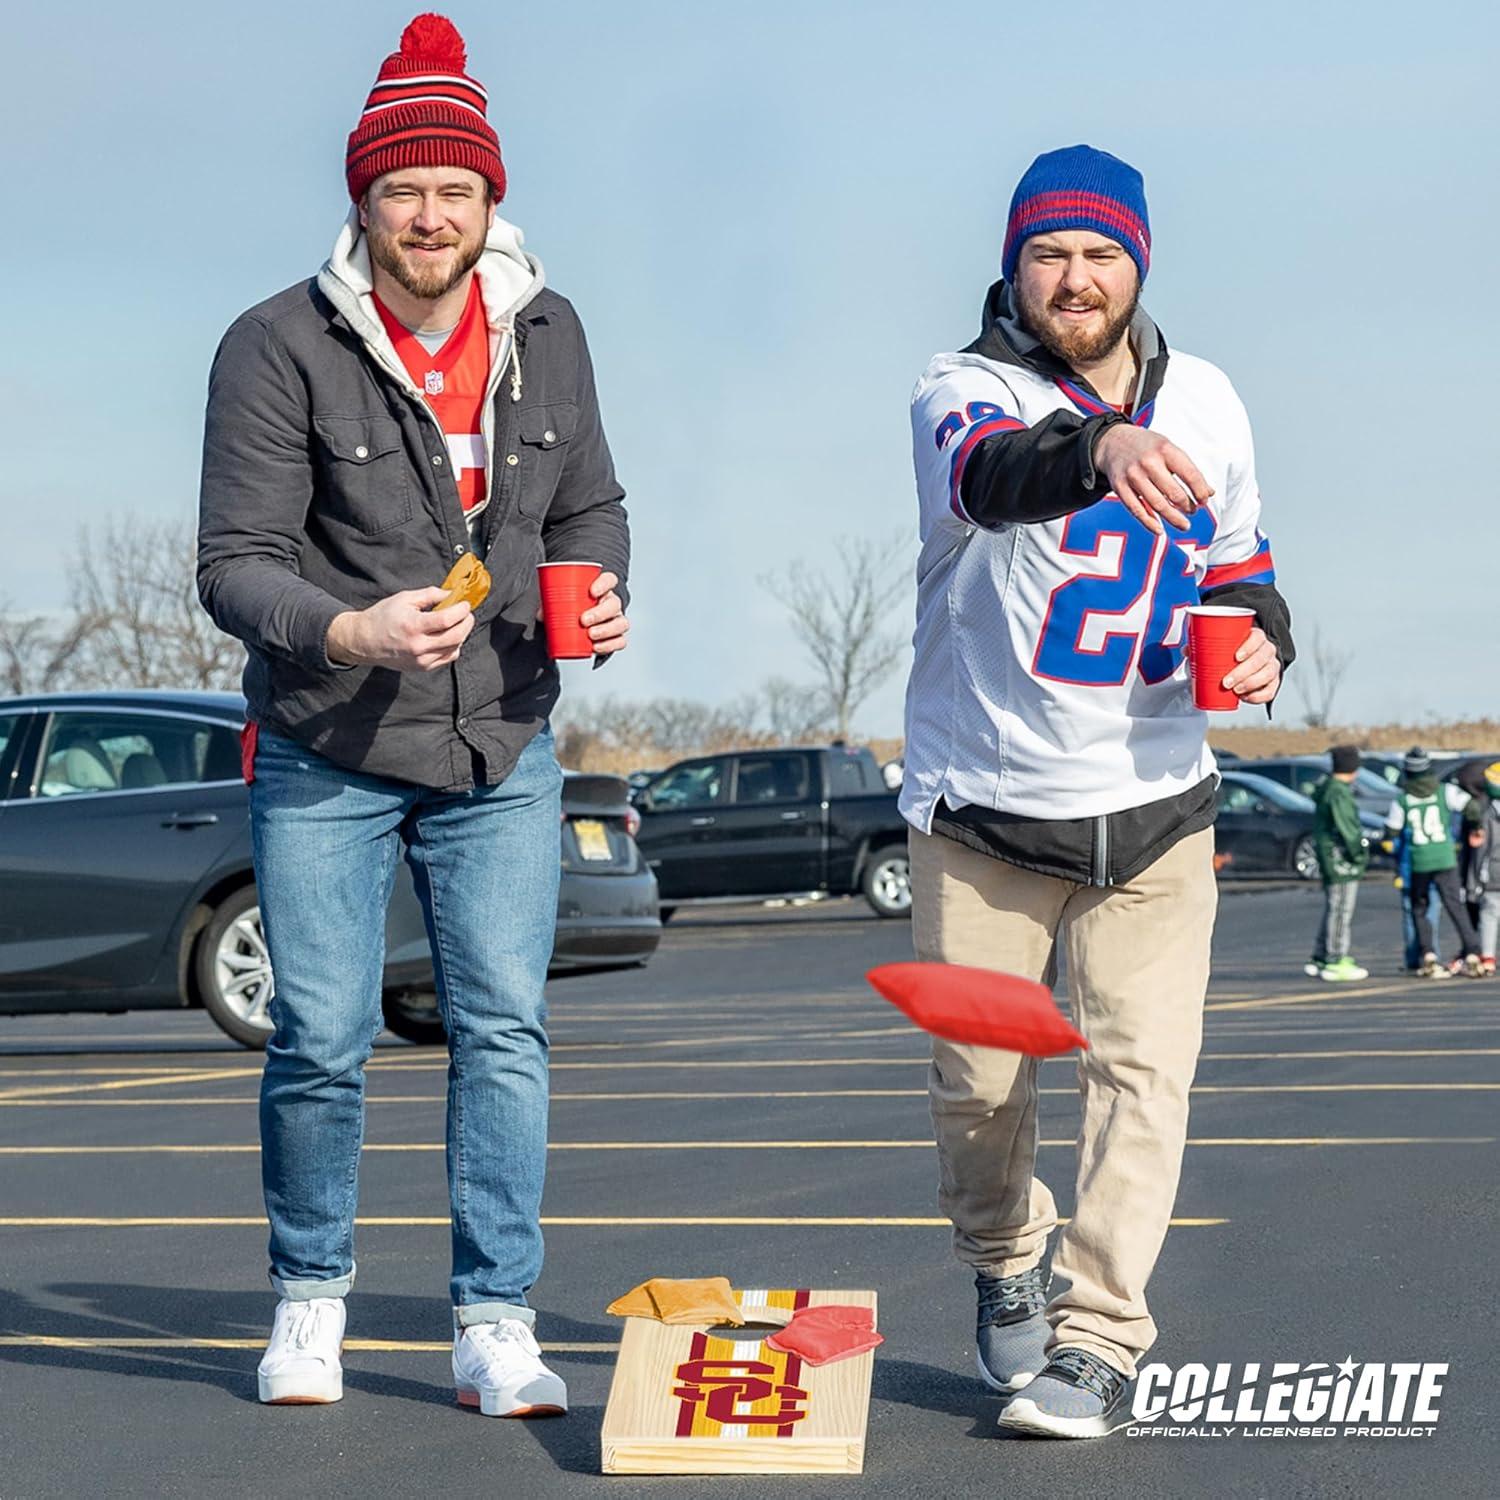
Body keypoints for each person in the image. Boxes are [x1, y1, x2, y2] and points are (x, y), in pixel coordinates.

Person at [197, 14, 631, 1415]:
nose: (429, 215)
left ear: (490, 202)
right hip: (331, 744)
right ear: (362, 201)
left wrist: (603, 590)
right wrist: (349, 625)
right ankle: (309, 1301)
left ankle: (494, 1319)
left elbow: (589, 506)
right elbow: (233, 565)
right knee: (322, 1036)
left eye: (455, 190)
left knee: (503, 1030)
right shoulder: (278, 346)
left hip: (501, 734)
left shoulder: (549, 334)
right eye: (403, 190)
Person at [903, 145, 1294, 1438]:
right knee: (980, 1087)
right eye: (1050, 255)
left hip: (1158, 804)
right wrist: (1105, 446)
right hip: (988, 808)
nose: (1075, 277)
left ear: (1138, 266)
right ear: (1014, 267)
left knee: (1143, 1076)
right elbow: (996, 474)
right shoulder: (961, 387)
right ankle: (1007, 1253)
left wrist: (1258, 637)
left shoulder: (1217, 401)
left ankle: (1099, 1335)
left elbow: (1246, 569)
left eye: (1100, 254)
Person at [1384, 749, 1481, 978]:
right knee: (1456, 907)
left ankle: (1428, 954)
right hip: (1445, 857)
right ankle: (1472, 952)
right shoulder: (1444, 791)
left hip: (1419, 860)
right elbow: (1471, 807)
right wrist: (1475, 826)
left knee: (1420, 908)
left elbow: (1391, 830)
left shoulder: (1403, 799)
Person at [1304, 745, 1370, 981]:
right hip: (1340, 860)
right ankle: (1335, 958)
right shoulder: (1339, 793)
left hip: (1329, 856)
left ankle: (1321, 955)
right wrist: (1358, 854)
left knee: (1334, 907)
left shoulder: (1328, 788)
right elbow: (1348, 829)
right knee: (1341, 909)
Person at [1461, 763, 1500, 975]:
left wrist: (1472, 883)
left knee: (1489, 915)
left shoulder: (1485, 815)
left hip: (1491, 875)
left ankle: (1488, 958)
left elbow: (1479, 852)